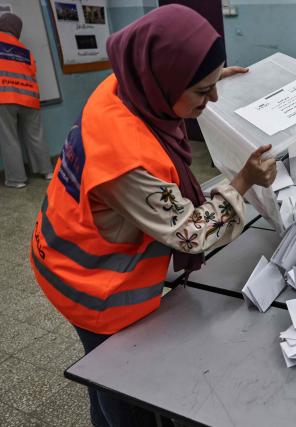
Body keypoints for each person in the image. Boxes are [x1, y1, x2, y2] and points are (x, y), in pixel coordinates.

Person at [29, 5, 276, 426]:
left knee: (102, 374)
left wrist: (215, 83)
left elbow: (177, 97)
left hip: (67, 248)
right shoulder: (126, 161)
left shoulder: (127, 85)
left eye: (213, 84)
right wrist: (242, 182)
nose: (212, 99)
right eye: (202, 91)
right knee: (121, 389)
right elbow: (190, 234)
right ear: (163, 83)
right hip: (89, 281)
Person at [0, 13, 52, 188]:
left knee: (9, 139)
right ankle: (46, 171)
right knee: (36, 136)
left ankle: (16, 180)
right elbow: (32, 72)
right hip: (30, 98)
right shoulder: (25, 50)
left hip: (4, 97)